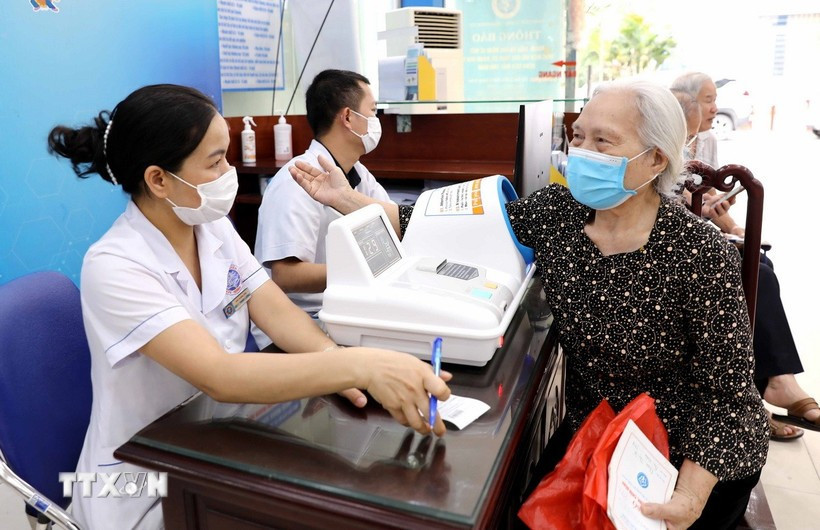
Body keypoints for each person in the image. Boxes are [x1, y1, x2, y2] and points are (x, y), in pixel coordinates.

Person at [289, 79, 769, 529]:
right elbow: (426, 224)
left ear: (655, 161)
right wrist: (344, 198)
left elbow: (726, 397)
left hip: (690, 454)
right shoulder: (559, 214)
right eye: (577, 136)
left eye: (603, 143)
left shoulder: (699, 254)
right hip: (598, 429)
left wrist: (688, 496)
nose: (581, 153)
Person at [47, 84, 451, 530]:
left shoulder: (212, 228)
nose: (229, 171)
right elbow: (218, 375)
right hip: (136, 479)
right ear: (159, 179)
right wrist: (362, 366)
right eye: (215, 161)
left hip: (212, 438)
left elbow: (275, 311)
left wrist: (338, 361)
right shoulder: (115, 265)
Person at [672, 72, 820, 440]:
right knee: (759, 274)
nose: (714, 107)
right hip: (678, 246)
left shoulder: (703, 141)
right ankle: (763, 391)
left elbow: (696, 200)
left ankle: (767, 386)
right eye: (707, 100)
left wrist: (726, 221)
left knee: (762, 266)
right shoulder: (658, 147)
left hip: (695, 234)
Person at [254, 69, 391, 330]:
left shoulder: (359, 174)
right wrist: (363, 271)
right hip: (303, 319)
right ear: (348, 117)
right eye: (373, 111)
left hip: (349, 305)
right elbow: (286, 275)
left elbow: (392, 229)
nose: (376, 120)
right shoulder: (295, 180)